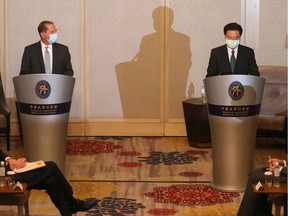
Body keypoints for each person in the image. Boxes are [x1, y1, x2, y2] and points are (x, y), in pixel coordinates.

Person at [0, 149, 97, 216]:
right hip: (4, 179)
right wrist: (12, 167)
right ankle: (73, 202)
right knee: (51, 166)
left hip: (6, 171)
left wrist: (9, 160)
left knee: (51, 181)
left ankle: (68, 211)